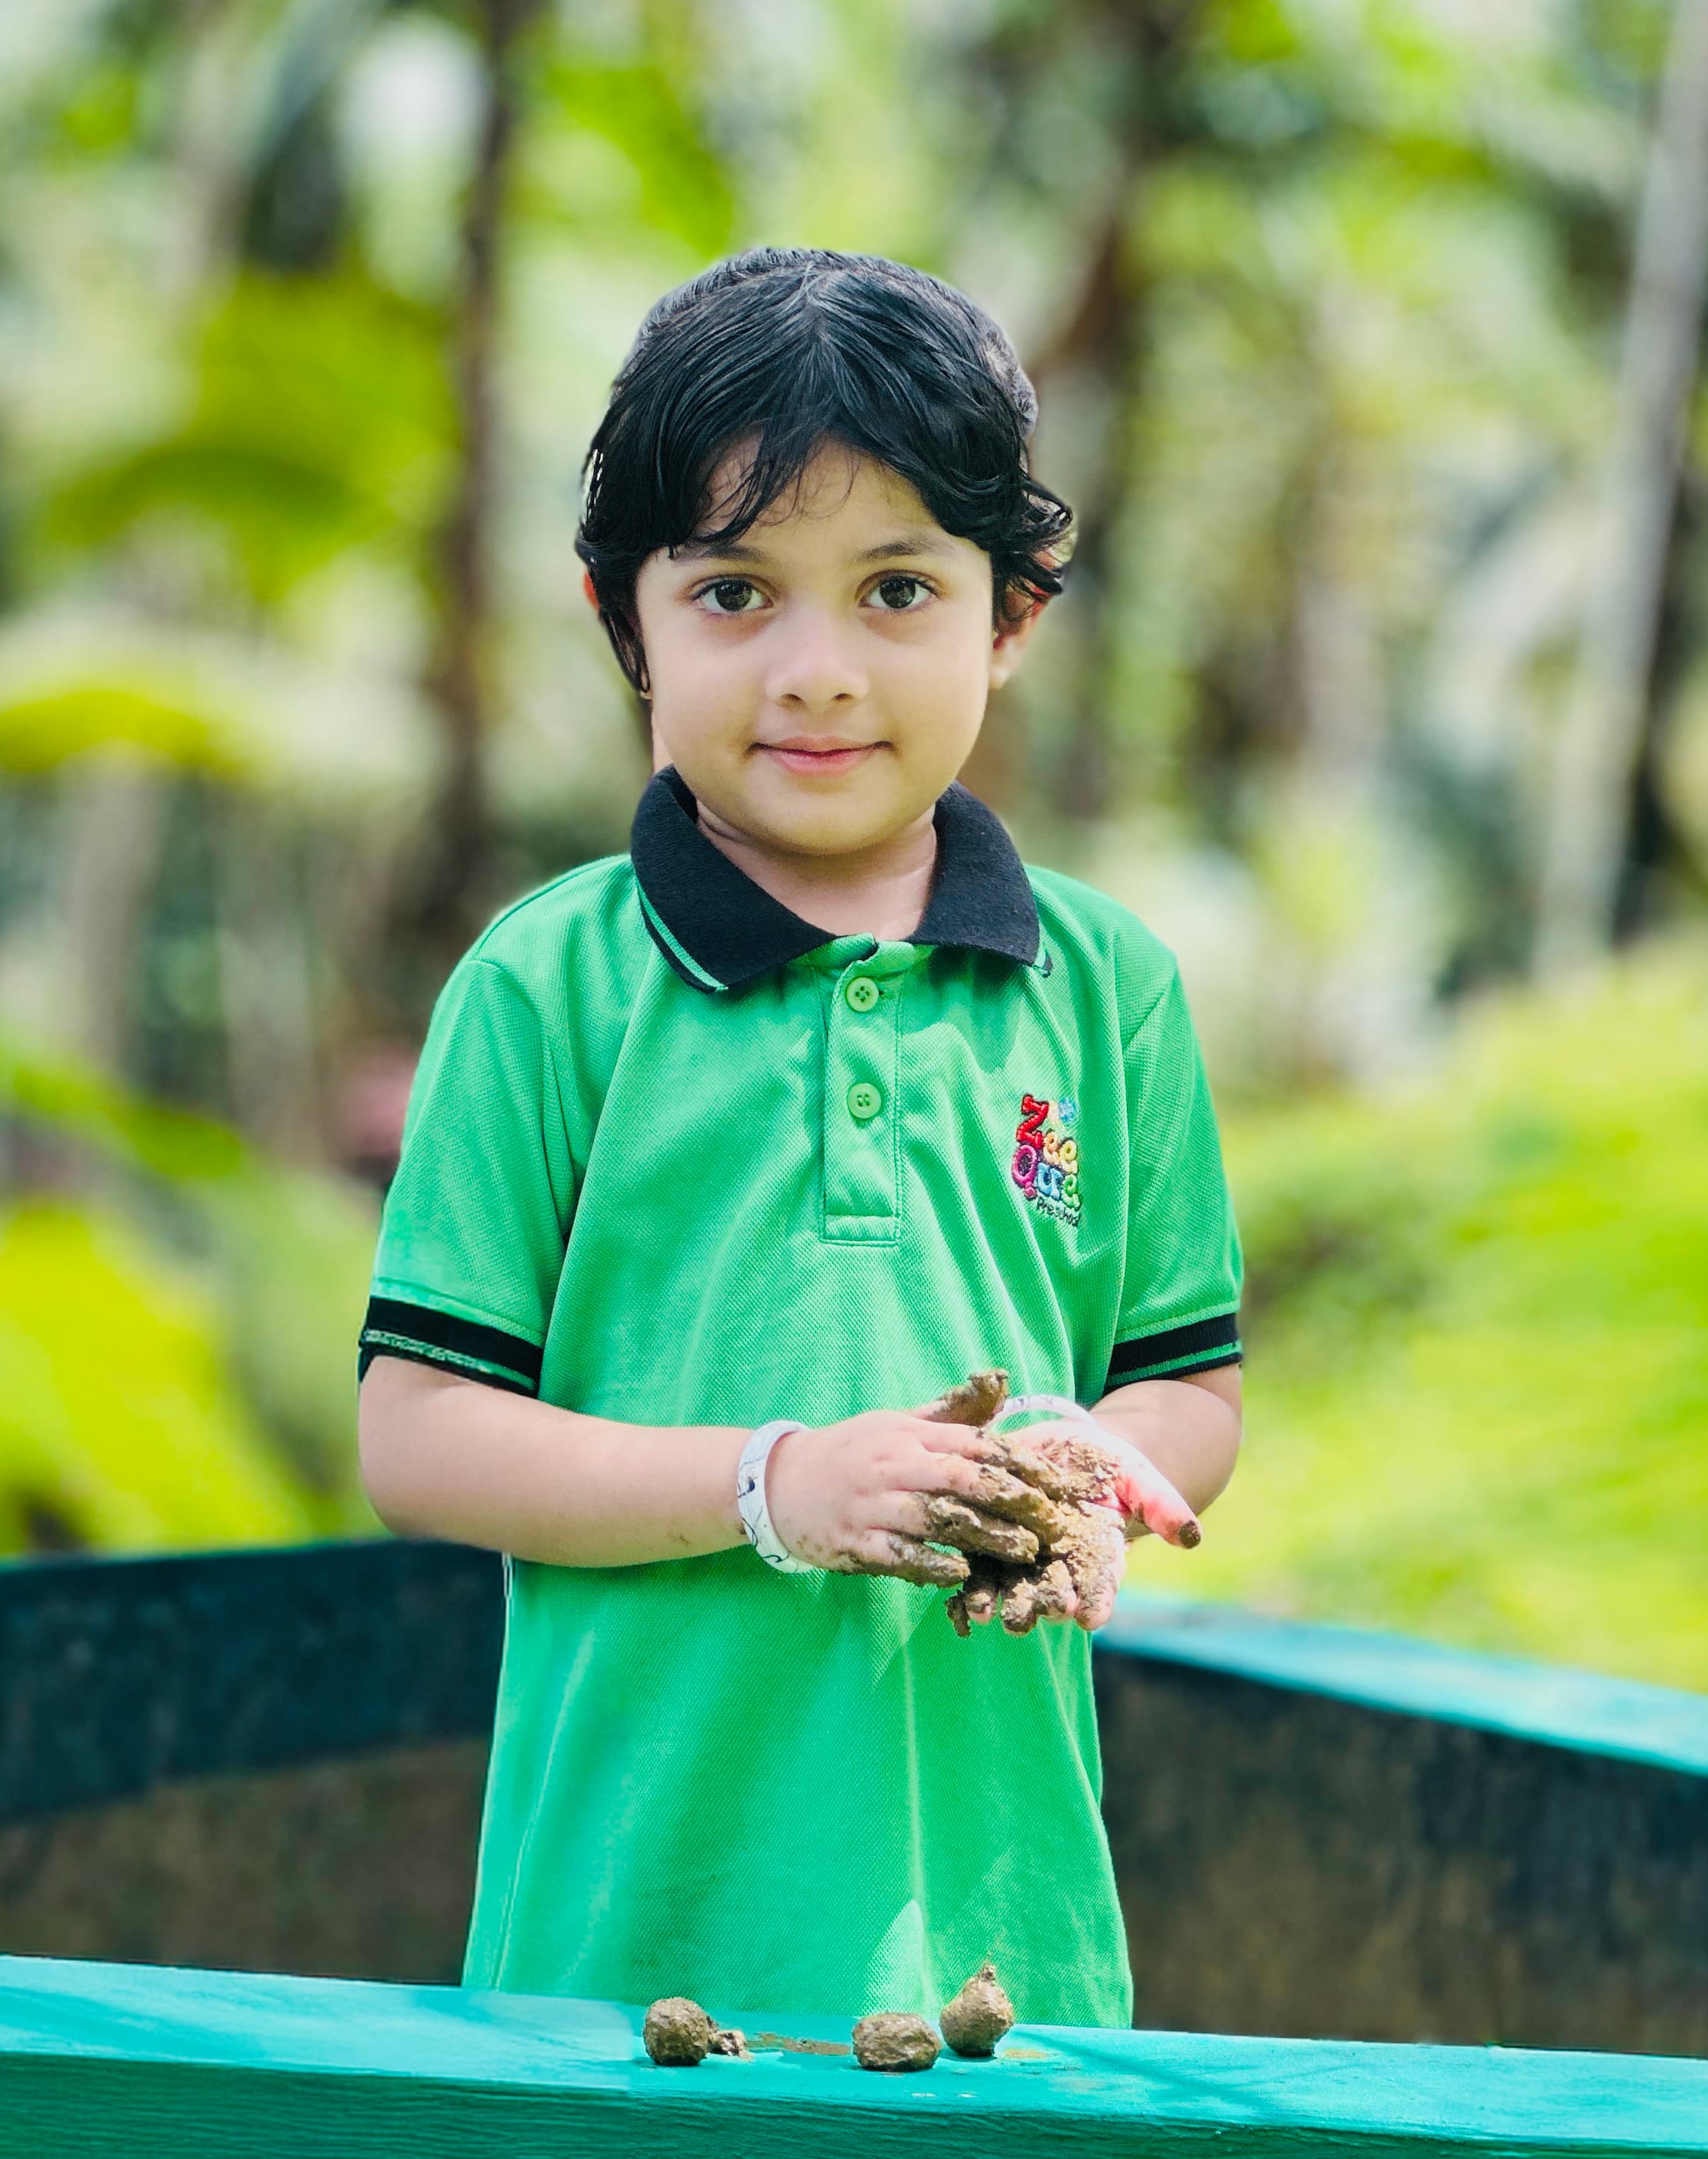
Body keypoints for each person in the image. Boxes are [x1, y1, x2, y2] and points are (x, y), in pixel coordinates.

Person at [355, 246, 1244, 2031]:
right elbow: (419, 1438)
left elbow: (1188, 1393)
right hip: (625, 1977)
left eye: (898, 589)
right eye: (737, 595)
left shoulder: (1109, 990)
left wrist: (1092, 1460)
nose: (819, 672)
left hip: (1012, 1966)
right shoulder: (548, 989)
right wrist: (778, 1487)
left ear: (1012, 618)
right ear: (626, 622)